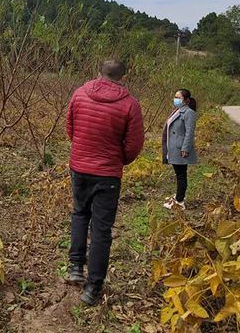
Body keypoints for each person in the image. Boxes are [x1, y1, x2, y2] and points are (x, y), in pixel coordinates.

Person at [65, 60, 144, 306]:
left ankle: (76, 266)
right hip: (108, 174)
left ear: (98, 72)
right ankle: (93, 288)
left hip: (79, 167)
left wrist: (83, 151)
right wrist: (117, 160)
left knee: (80, 214)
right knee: (100, 230)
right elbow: (133, 146)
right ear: (123, 77)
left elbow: (70, 129)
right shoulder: (130, 105)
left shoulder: (79, 94)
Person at [162, 89, 197, 211]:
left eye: (179, 97)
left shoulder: (189, 113)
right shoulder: (177, 111)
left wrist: (185, 148)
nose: (176, 99)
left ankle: (180, 201)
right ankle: (178, 196)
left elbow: (189, 133)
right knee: (179, 174)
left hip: (180, 148)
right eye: (175, 96)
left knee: (181, 175)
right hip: (174, 147)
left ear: (186, 100)